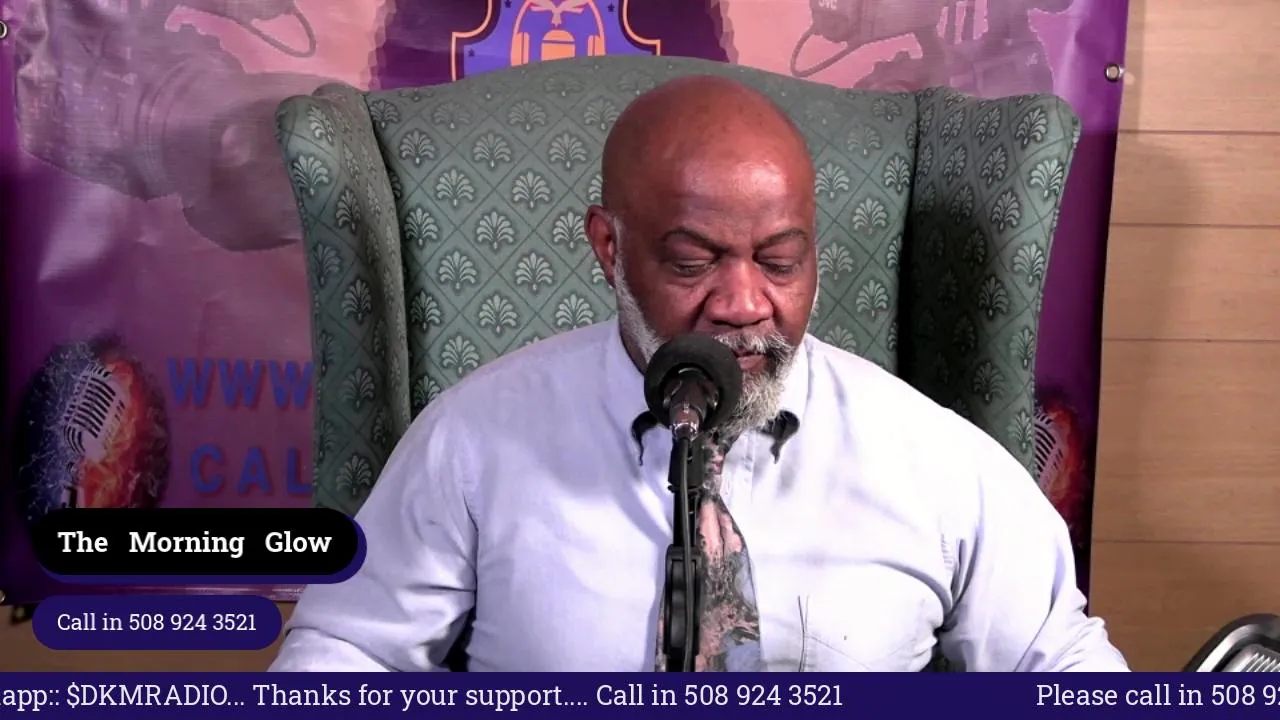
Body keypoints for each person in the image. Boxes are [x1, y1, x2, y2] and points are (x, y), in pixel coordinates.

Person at [269, 75, 1129, 672]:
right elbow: (347, 651)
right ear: (610, 247)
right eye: (692, 262)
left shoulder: (938, 462)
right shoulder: (473, 442)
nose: (744, 304)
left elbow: (1059, 665)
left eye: (781, 261)